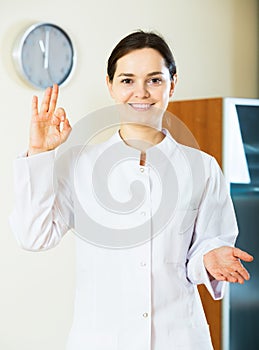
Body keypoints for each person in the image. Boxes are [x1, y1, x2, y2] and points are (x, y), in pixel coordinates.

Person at [10, 30, 253, 350]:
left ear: (173, 83)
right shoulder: (79, 164)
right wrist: (40, 153)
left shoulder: (202, 167)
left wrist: (210, 257)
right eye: (127, 80)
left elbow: (199, 256)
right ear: (109, 85)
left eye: (154, 80)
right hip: (100, 339)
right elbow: (34, 235)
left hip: (178, 338)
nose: (141, 92)